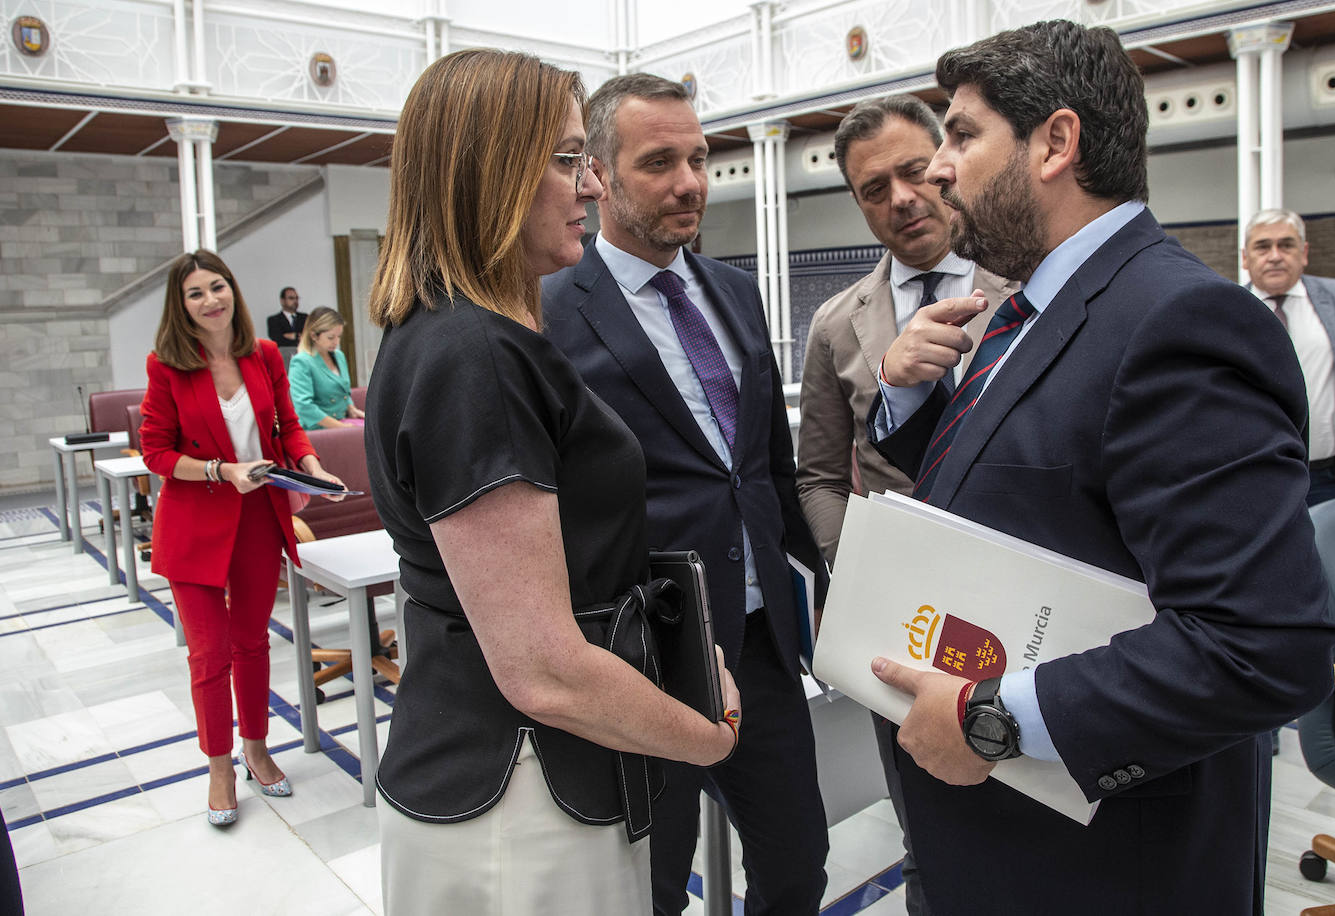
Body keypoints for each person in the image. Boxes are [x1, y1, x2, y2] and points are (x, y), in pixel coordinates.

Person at [863, 20, 1335, 914]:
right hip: (1001, 841)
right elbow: (1035, 487)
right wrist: (909, 399)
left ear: (1056, 142)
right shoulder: (1031, 311)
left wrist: (992, 719)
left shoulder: (1177, 323)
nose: (936, 167)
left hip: (1103, 865)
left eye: (962, 135)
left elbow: (1261, 644)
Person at [363, 49, 741, 916]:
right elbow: (544, 670)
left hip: (530, 771)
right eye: (569, 159)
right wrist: (704, 738)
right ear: (492, 173)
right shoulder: (475, 356)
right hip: (519, 791)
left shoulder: (467, 334)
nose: (593, 188)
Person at [543, 73, 829, 916]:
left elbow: (765, 466)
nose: (690, 182)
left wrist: (810, 601)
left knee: (796, 864)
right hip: (644, 652)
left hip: (761, 644)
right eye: (660, 160)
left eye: (700, 158)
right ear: (597, 173)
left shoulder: (734, 292)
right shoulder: (551, 312)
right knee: (652, 886)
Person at [796, 93, 1016, 916]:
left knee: (1036, 811)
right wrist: (857, 569)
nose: (900, 200)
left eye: (913, 172)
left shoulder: (1031, 282)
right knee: (929, 826)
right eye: (872, 188)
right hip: (906, 624)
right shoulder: (835, 325)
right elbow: (817, 474)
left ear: (947, 161)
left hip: (1023, 610)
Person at [139, 250, 345, 828]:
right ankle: (218, 766)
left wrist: (309, 463)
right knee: (208, 653)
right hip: (194, 525)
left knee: (251, 644)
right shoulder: (167, 365)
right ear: (181, 308)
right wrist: (219, 472)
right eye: (195, 293)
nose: (211, 300)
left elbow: (288, 422)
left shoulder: (265, 355)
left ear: (233, 289)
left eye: (218, 286)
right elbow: (155, 451)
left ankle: (256, 747)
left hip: (258, 519)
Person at [1240, 208, 1335, 504]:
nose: (1274, 255)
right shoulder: (1227, 310)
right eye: (1262, 246)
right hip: (1258, 477)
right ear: (1245, 258)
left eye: (1286, 245)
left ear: (1304, 253)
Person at [287, 306, 364, 429]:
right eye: (331, 337)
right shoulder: (301, 362)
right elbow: (304, 407)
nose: (336, 342)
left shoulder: (339, 356)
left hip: (342, 422)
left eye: (339, 337)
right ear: (313, 335)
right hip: (317, 430)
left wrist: (352, 408)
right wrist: (341, 427)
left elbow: (343, 390)